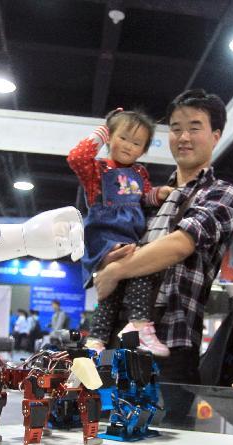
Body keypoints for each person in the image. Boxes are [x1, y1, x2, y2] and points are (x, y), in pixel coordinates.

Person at [94, 89, 233, 423]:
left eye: (194, 127)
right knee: (105, 439)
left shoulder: (222, 194)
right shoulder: (147, 198)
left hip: (171, 340)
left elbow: (179, 245)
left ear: (215, 135)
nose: (183, 137)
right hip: (119, 332)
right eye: (176, 128)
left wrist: (115, 272)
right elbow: (110, 241)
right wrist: (106, 263)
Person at [67, 108, 173, 356]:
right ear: (111, 137)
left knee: (117, 288)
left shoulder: (140, 173)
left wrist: (159, 194)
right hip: (104, 239)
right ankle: (138, 324)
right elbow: (76, 158)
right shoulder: (97, 170)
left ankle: (97, 338)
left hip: (129, 239)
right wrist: (104, 130)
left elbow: (143, 197)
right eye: (122, 137)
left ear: (144, 150)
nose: (128, 146)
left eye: (137, 143)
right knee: (136, 271)